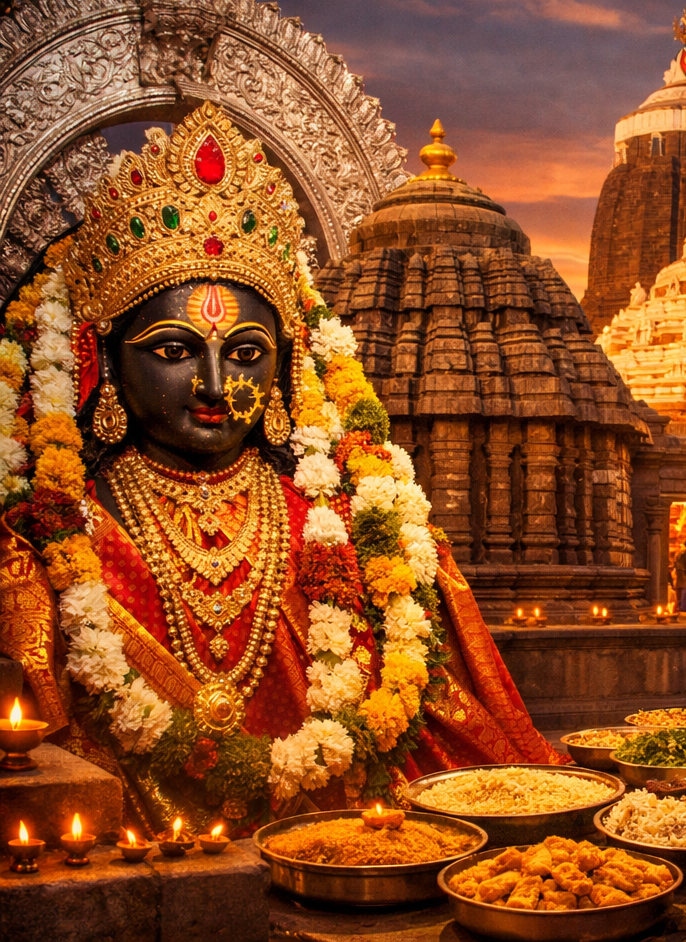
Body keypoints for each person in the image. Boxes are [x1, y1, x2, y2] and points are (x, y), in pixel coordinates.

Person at [0, 104, 564, 836]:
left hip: (357, 846)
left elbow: (448, 713)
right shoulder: (44, 539)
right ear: (101, 360)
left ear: (287, 363)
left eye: (244, 353)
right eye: (172, 351)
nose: (212, 385)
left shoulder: (355, 530)